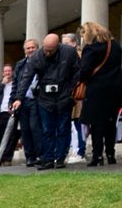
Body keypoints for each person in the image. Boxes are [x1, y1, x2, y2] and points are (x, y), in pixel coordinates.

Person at [12, 33, 79, 169]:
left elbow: (77, 71)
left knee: (62, 128)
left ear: (57, 47)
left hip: (64, 95)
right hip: (45, 97)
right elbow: (27, 78)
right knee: (47, 129)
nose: (47, 53)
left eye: (51, 51)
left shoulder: (69, 52)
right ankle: (48, 158)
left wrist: (70, 89)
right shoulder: (36, 57)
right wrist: (19, 98)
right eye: (45, 50)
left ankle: (60, 157)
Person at [77, 21, 122, 166]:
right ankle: (111, 153)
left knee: (96, 123)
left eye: (83, 34)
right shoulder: (115, 46)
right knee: (111, 122)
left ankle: (97, 155)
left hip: (97, 89)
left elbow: (84, 71)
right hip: (115, 88)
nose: (83, 38)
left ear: (88, 33)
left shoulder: (91, 49)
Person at [12, 38, 43, 166]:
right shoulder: (20, 65)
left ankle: (40, 155)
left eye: (32, 47)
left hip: (36, 100)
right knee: (25, 130)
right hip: (22, 101)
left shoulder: (42, 62)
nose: (30, 50)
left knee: (35, 127)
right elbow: (15, 84)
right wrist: (13, 100)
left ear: (37, 48)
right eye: (28, 48)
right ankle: (30, 157)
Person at [61, 32, 86, 161]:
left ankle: (80, 151)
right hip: (68, 94)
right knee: (71, 124)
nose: (64, 46)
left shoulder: (79, 56)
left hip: (78, 94)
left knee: (78, 124)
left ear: (74, 43)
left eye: (67, 43)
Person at [0, 63, 18, 165]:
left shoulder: (16, 84)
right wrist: (2, 84)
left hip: (10, 113)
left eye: (9, 71)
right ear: (2, 73)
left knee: (10, 137)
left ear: (12, 72)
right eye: (5, 71)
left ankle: (7, 159)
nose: (7, 73)